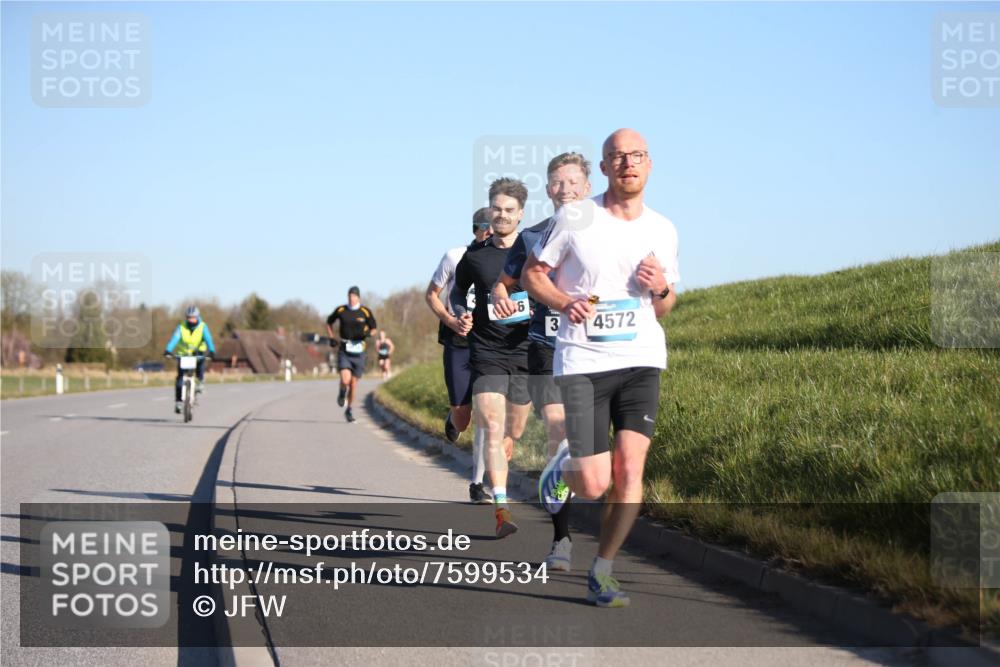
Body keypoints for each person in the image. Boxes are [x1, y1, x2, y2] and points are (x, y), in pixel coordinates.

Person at [524, 129, 679, 607]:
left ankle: (604, 568)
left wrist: (660, 289)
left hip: (641, 360)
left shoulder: (664, 229)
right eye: (618, 157)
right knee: (593, 484)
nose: (628, 163)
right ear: (606, 167)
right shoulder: (577, 217)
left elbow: (666, 305)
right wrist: (563, 299)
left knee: (631, 468)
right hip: (583, 361)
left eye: (636, 156)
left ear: (649, 165)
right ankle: (562, 468)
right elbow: (533, 275)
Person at [491, 152, 591, 571]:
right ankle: (562, 542)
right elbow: (505, 281)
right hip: (546, 348)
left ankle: (564, 474)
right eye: (556, 182)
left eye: (573, 181)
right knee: (558, 430)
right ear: (548, 189)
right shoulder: (532, 236)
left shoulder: (605, 232)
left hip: (595, 350)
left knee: (591, 454)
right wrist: (501, 295)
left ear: (586, 187)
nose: (565, 188)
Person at [452, 178, 533, 538]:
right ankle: (501, 509)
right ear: (489, 210)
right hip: (487, 349)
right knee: (491, 423)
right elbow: (456, 294)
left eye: (509, 210)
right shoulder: (475, 256)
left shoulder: (535, 250)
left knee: (512, 431)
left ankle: (504, 454)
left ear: (521, 214)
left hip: (526, 349)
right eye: (496, 209)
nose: (501, 215)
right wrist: (460, 314)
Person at [425, 209, 494, 503]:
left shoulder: (507, 260)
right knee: (464, 417)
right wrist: (451, 320)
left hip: (491, 345)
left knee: (486, 413)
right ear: (475, 228)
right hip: (459, 341)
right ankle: (454, 418)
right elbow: (432, 294)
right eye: (484, 228)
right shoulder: (455, 256)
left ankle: (477, 484)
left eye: (495, 228)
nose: (489, 233)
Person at [326, 286, 378, 423]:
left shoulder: (365, 311)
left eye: (354, 296)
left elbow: (374, 329)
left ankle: (349, 409)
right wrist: (331, 337)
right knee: (345, 380)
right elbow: (329, 322)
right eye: (349, 296)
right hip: (345, 350)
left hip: (359, 351)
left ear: (358, 297)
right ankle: (342, 392)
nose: (351, 298)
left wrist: (368, 334)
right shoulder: (341, 310)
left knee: (354, 384)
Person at [164, 306, 216, 414]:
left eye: (193, 317)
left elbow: (208, 339)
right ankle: (178, 402)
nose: (191, 320)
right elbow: (175, 339)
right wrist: (168, 350)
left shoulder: (202, 327)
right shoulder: (181, 327)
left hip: (198, 353)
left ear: (197, 317)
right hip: (184, 354)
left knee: (201, 362)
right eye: (189, 317)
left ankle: (200, 380)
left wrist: (212, 351)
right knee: (180, 378)